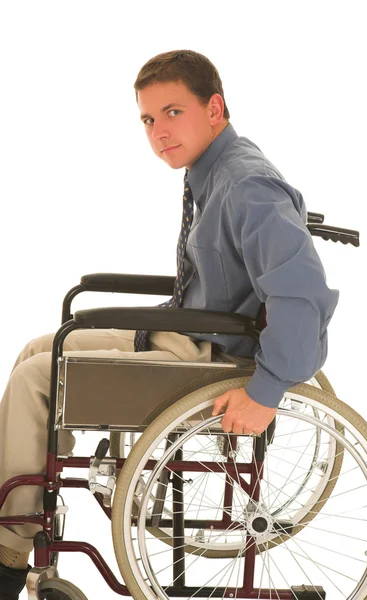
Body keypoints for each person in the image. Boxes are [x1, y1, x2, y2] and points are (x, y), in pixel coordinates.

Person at [0, 49, 339, 598]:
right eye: (148, 119)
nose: (158, 132)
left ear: (214, 108)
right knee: (37, 350)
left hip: (209, 358)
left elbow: (303, 294)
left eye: (172, 112)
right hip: (187, 332)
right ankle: (30, 514)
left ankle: (9, 553)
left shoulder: (246, 183)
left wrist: (268, 390)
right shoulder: (209, 171)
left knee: (39, 376)